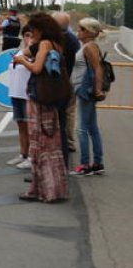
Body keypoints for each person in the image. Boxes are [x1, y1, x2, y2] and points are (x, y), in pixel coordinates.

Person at [13, 13, 69, 202]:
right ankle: (49, 188)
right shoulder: (56, 44)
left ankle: (45, 190)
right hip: (51, 99)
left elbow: (36, 68)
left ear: (41, 30)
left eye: (33, 30)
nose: (32, 34)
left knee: (40, 144)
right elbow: (30, 52)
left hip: (41, 99)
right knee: (50, 145)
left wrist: (22, 61)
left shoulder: (45, 44)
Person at [73, 18, 107, 175]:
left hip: (85, 91)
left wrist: (97, 90)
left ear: (89, 32)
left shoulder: (89, 47)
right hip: (85, 90)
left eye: (81, 29)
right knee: (92, 127)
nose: (78, 31)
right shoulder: (87, 46)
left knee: (81, 129)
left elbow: (98, 69)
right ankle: (98, 163)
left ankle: (85, 165)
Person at [54, 12, 82, 161]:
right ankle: (69, 142)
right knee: (70, 113)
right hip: (71, 81)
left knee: (60, 113)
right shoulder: (73, 39)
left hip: (61, 82)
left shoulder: (56, 40)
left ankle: (62, 141)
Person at [5, 29, 34, 170]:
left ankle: (32, 157)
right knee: (21, 126)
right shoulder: (19, 52)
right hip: (16, 93)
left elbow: (35, 69)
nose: (29, 39)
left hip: (28, 95)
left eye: (32, 36)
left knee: (30, 128)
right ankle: (23, 154)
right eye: (27, 35)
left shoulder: (36, 54)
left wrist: (25, 60)